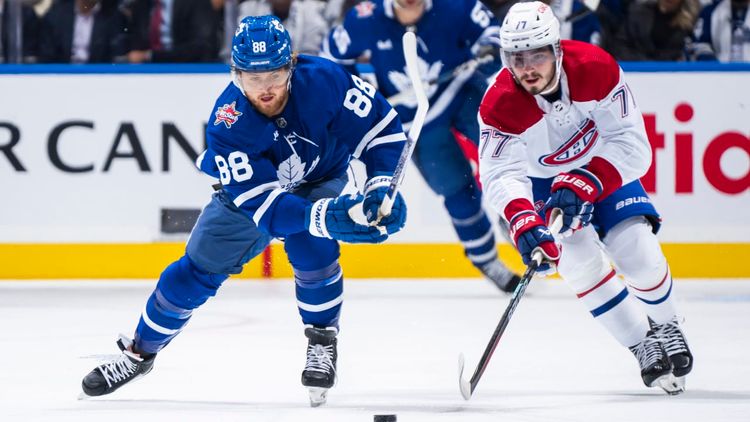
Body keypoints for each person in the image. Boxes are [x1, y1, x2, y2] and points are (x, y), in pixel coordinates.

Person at [81, 15, 408, 407]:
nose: (265, 88)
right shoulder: (228, 124)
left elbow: (384, 131)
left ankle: (322, 340)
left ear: (292, 65)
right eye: (253, 78)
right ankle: (139, 354)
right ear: (236, 75)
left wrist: (380, 185)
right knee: (194, 271)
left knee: (312, 246)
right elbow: (268, 209)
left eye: (273, 74)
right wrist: (325, 217)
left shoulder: (326, 80)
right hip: (254, 196)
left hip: (322, 174)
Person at [477, 1, 693, 393]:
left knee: (638, 253)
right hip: (543, 184)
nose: (527, 68)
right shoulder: (499, 102)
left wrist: (589, 178)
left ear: (557, 49)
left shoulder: (596, 67)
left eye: (537, 55)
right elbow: (499, 173)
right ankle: (642, 344)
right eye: (516, 57)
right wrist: (522, 218)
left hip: (603, 168)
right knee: (579, 264)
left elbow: (634, 145)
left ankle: (666, 324)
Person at [321, 0, 521, 292]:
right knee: (457, 193)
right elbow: (332, 59)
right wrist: (361, 88)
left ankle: (515, 216)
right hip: (416, 120)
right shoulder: (365, 18)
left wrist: (490, 52)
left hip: (464, 91)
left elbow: (495, 34)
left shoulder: (456, 6)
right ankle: (486, 259)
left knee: (510, 157)